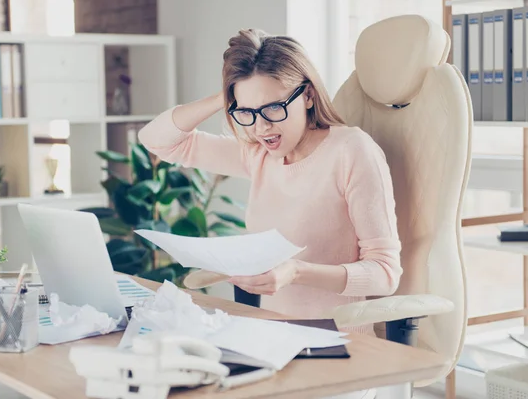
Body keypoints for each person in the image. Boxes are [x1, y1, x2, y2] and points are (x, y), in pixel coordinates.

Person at [138, 28, 402, 337]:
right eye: (246, 112)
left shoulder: (351, 151)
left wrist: (295, 272)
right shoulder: (260, 154)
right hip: (270, 334)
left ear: (307, 95)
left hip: (335, 342)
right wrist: (226, 97)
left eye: (273, 108)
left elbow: (385, 273)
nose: (262, 127)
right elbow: (157, 141)